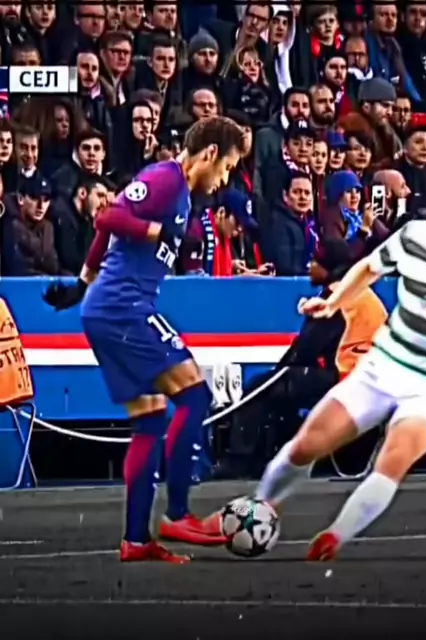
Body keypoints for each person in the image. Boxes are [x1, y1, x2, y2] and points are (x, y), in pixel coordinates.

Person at [42, 116, 247, 563]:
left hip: (109, 307)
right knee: (195, 395)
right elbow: (109, 215)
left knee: (151, 418)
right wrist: (156, 231)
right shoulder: (166, 178)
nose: (225, 179)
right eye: (228, 167)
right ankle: (178, 515)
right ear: (210, 154)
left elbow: (107, 229)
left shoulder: (180, 192)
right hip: (124, 307)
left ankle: (136, 539)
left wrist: (82, 283)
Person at [252, 180, 426, 561]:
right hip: (385, 364)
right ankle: (258, 506)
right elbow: (369, 268)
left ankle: (336, 535)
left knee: (394, 456)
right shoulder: (414, 237)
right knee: (309, 443)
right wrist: (334, 302)